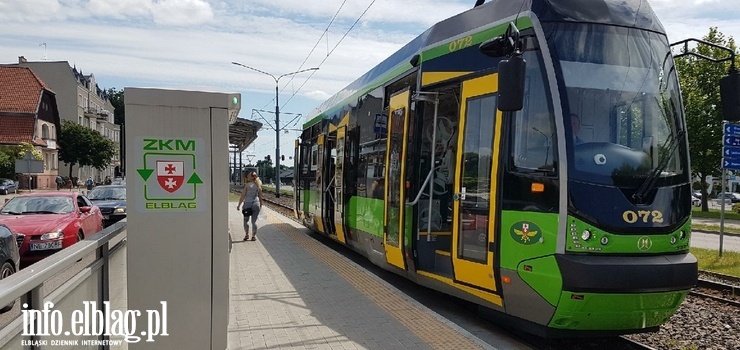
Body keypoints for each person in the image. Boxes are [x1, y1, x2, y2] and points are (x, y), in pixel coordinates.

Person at [236, 171, 264, 241]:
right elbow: (260, 197)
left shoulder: (247, 185)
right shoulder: (259, 185)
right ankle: (254, 236)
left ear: (251, 177)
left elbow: (243, 196)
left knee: (246, 221)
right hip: (256, 204)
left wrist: (239, 205)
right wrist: (261, 205)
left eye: (248, 176)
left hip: (247, 204)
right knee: (254, 222)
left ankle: (246, 235)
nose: (247, 177)